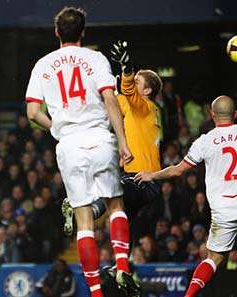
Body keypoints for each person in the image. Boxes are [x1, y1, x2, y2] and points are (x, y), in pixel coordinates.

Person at [25, 7, 138, 297]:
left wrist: (57, 129)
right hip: (100, 137)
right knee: (115, 205)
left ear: (56, 32)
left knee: (84, 220)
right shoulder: (95, 59)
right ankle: (122, 265)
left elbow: (33, 112)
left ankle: (96, 292)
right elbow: (110, 100)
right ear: (83, 32)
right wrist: (123, 141)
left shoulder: (43, 64)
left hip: (70, 144)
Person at [134, 95, 237, 297]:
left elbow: (177, 171)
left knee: (213, 258)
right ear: (235, 114)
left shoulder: (204, 141)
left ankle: (188, 296)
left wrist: (150, 175)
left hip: (222, 211)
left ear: (211, 114)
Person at [62, 40, 163, 245]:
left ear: (147, 92)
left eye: (137, 82)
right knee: (124, 221)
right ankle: (123, 268)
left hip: (145, 178)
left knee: (112, 190)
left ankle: (81, 211)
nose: (132, 85)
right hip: (132, 176)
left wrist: (127, 70)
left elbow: (126, 91)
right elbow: (109, 99)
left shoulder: (147, 108)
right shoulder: (134, 107)